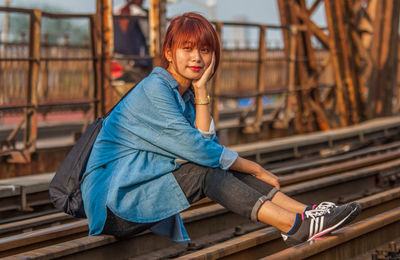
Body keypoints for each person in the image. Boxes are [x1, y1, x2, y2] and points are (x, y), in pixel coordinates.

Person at [81, 12, 361, 246]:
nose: (197, 58)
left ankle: (308, 213)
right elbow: (200, 152)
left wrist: (201, 90)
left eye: (204, 50)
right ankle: (293, 226)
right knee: (208, 172)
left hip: (134, 193)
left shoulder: (185, 94)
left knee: (218, 166)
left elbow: (206, 146)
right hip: (112, 205)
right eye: (187, 49)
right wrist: (254, 167)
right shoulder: (154, 90)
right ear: (168, 53)